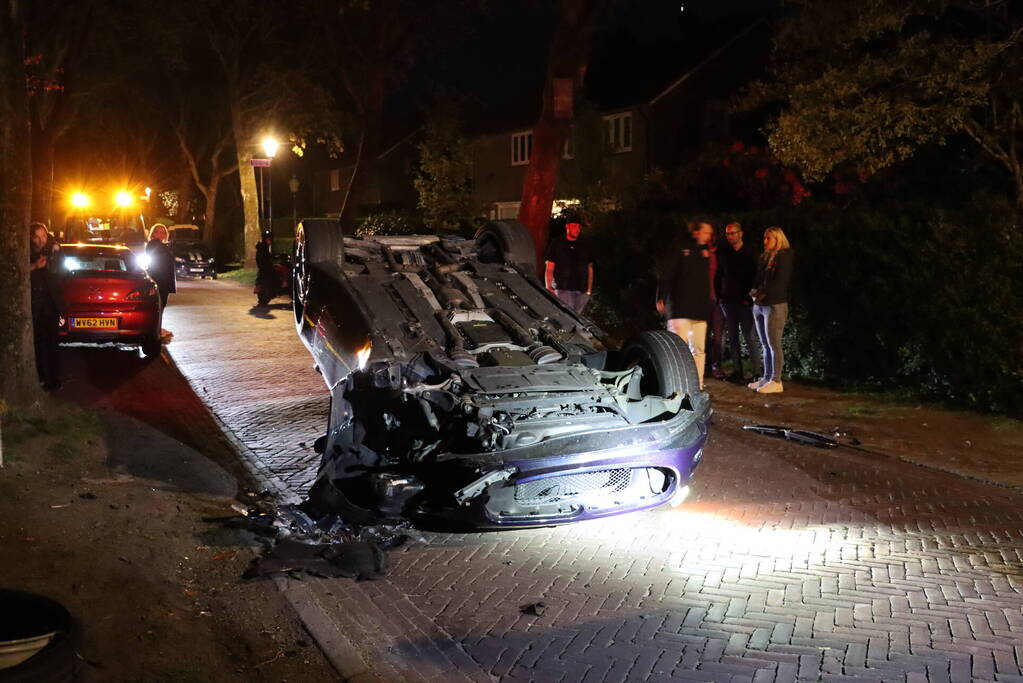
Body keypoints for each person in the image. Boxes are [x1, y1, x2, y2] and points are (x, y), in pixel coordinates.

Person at [657, 219, 713, 391]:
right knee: (677, 349)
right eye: (705, 232)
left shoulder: (706, 252)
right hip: (680, 308)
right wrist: (661, 297)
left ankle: (697, 384)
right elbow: (668, 273)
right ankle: (676, 385)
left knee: (698, 350)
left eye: (710, 233)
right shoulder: (681, 248)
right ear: (696, 232)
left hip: (700, 310)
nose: (708, 236)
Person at [749, 226, 794, 394]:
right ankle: (767, 377)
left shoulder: (784, 257)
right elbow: (758, 278)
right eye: (764, 238)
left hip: (774, 304)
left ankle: (776, 380)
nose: (765, 241)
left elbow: (780, 282)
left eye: (769, 238)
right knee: (765, 344)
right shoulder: (765, 257)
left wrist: (761, 292)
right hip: (760, 304)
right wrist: (754, 290)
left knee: (773, 343)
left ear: (778, 239)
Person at [717, 221, 761, 382]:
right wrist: (720, 296)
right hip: (729, 302)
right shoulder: (725, 254)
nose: (730, 236)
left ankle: (757, 372)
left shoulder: (749, 254)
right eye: (728, 233)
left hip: (744, 303)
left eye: (733, 233)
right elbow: (720, 275)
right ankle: (737, 372)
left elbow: (755, 277)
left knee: (749, 337)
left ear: (740, 234)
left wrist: (748, 298)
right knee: (733, 338)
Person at [30, 222, 64, 390]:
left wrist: (53, 256)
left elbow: (59, 272)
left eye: (43, 235)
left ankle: (54, 378)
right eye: (37, 236)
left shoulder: (54, 249)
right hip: (34, 304)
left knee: (52, 343)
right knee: (36, 342)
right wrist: (35, 266)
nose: (41, 239)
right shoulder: (28, 252)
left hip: (50, 304)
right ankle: (40, 376)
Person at [544, 216, 593, 314]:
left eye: (579, 227)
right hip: (563, 288)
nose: (577, 229)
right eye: (574, 226)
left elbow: (590, 268)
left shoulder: (584, 244)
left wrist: (589, 289)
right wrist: (548, 286)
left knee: (577, 317)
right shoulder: (557, 243)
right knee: (568, 315)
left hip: (581, 290)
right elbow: (550, 267)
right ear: (567, 227)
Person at [145, 223, 176, 311]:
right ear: (153, 233)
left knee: (162, 304)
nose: (161, 234)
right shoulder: (154, 244)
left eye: (163, 232)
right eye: (158, 232)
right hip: (159, 278)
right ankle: (156, 324)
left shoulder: (163, 245)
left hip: (164, 279)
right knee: (159, 305)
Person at [255, 230, 278, 304]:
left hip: (263, 269)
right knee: (275, 275)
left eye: (271, 238)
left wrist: (273, 258)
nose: (270, 240)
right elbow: (264, 259)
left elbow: (267, 257)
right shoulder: (263, 248)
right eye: (269, 239)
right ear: (265, 239)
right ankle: (275, 290)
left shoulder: (263, 247)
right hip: (265, 269)